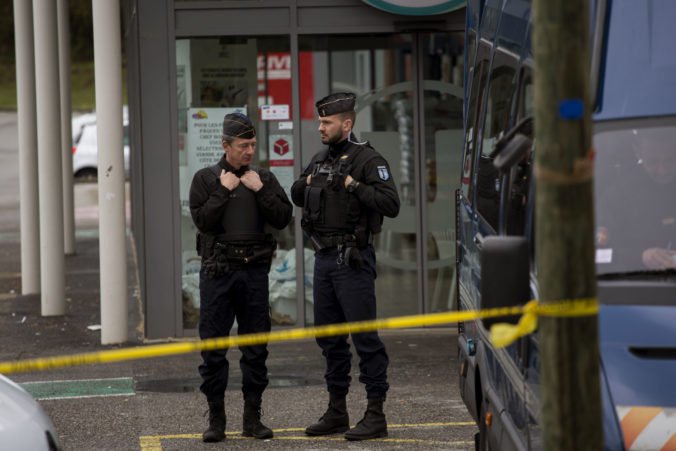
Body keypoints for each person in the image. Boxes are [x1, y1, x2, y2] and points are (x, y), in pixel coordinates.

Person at [290, 92, 400, 441]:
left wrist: (352, 185)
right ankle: (337, 411)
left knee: (365, 339)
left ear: (346, 124)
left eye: (327, 122)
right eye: (320, 121)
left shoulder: (368, 159)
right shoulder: (320, 159)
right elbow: (295, 192)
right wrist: (309, 181)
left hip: (353, 260)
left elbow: (390, 203)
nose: (320, 127)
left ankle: (375, 413)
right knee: (329, 339)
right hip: (323, 259)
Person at [189, 112, 293, 443]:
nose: (249, 151)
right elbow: (203, 221)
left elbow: (283, 218)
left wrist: (261, 190)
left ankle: (252, 417)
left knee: (255, 348)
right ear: (225, 145)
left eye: (252, 145)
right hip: (218, 273)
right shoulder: (206, 179)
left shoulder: (263, 178)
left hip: (253, 274)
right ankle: (217, 418)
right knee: (214, 348)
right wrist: (223, 190)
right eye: (242, 145)